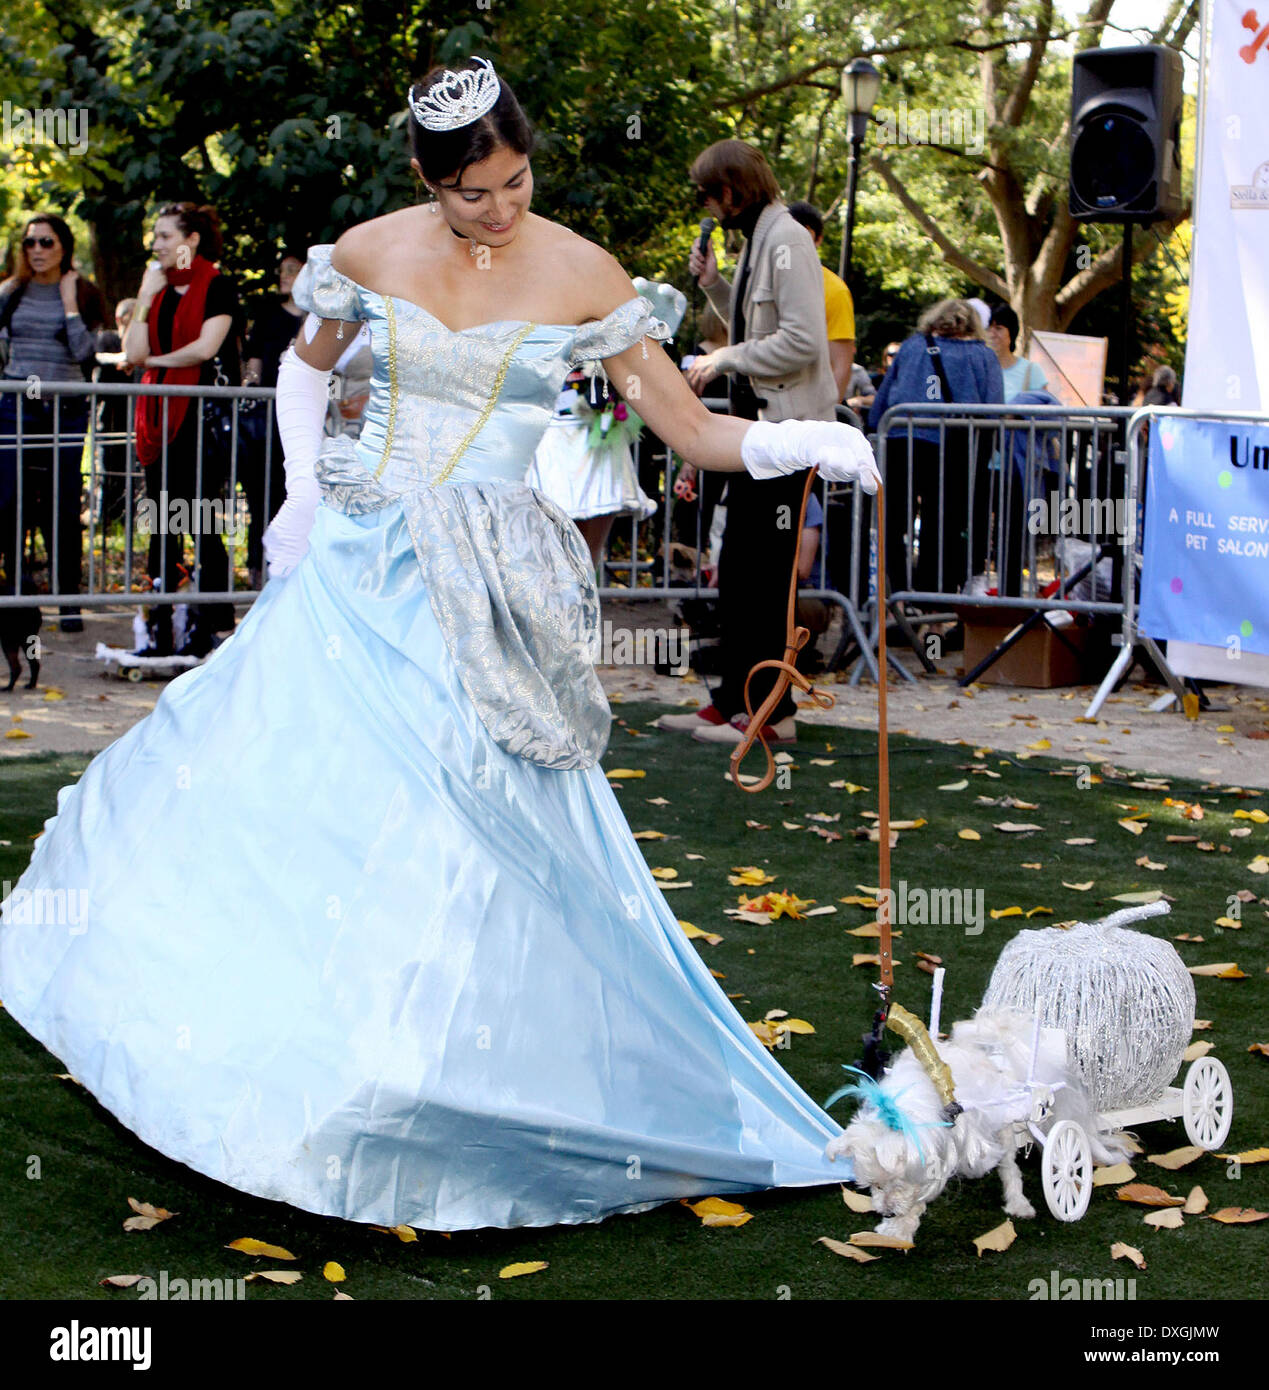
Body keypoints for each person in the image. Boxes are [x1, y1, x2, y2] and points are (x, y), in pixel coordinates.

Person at [0, 57, 879, 1235]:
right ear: (427, 179)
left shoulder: (585, 272)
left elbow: (691, 428)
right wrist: (304, 499)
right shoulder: (367, 251)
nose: (500, 208)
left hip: (495, 583)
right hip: (363, 562)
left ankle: (446, 1065)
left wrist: (811, 439)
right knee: (307, 801)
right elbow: (300, 380)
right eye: (473, 193)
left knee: (478, 819)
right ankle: (309, 1057)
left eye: (516, 181)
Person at [665, 139, 843, 749]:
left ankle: (772, 714)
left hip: (783, 439)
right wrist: (716, 287)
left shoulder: (787, 236)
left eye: (708, 195)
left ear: (732, 188)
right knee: (740, 575)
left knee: (763, 579)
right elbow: (755, 327)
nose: (706, 208)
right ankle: (734, 703)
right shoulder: (763, 239)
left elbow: (801, 343)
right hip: (758, 437)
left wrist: (724, 359)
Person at [122, 202, 242, 657]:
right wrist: (145, 297)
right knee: (162, 520)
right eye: (154, 236)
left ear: (190, 242)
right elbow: (133, 351)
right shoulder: (158, 289)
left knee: (201, 520)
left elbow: (205, 348)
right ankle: (162, 625)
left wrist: (153, 362)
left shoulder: (217, 286)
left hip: (201, 419)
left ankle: (212, 627)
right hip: (159, 419)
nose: (156, 244)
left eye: (165, 236)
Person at [0, 213, 106, 627]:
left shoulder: (83, 292)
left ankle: (68, 603)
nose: (37, 251)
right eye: (30, 243)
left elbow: (85, 353)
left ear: (64, 246)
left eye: (46, 242)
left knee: (61, 502)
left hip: (64, 407)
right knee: (9, 499)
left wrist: (67, 305)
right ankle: (17, 600)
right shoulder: (10, 291)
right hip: (14, 406)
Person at [869, 298, 1003, 597]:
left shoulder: (912, 347)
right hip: (954, 446)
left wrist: (875, 431)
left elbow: (882, 399)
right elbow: (993, 409)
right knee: (942, 522)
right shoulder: (983, 356)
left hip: (900, 439)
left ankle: (897, 594)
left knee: (893, 520)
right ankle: (932, 597)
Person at [241, 250, 305, 588]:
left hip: (305, 421)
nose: (285, 276)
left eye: (293, 270)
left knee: (296, 494)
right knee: (263, 497)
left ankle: (295, 570)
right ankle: (258, 567)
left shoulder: (321, 319)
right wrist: (250, 388)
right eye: (282, 271)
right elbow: (254, 362)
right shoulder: (268, 316)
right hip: (267, 419)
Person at [786, 201, 857, 402]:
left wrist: (820, 417)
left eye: (804, 233)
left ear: (818, 239)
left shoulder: (835, 290)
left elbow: (841, 365)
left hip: (812, 413)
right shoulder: (763, 282)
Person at [92, 298, 141, 535]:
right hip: (109, 419)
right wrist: (121, 358)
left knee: (134, 469)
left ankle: (131, 517)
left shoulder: (144, 344)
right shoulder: (107, 339)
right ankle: (106, 518)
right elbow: (97, 356)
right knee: (107, 467)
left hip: (137, 420)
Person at [986, 303, 1048, 402]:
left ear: (1011, 333)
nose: (991, 334)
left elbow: (1042, 413)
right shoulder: (978, 370)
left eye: (998, 328)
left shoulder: (1031, 370)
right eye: (987, 328)